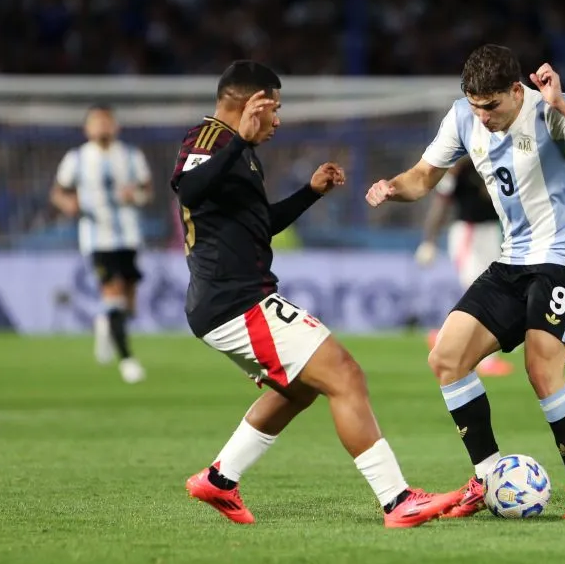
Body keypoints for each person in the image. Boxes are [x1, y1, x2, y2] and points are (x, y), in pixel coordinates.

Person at [171, 60, 460, 528]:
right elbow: (189, 189)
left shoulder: (240, 151)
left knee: (300, 389)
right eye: (274, 108)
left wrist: (309, 193)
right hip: (234, 300)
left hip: (235, 298)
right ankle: (397, 500)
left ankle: (220, 479)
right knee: (346, 375)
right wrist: (240, 140)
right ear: (251, 105)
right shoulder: (210, 140)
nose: (278, 121)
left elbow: (259, 226)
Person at [366, 44, 565, 520]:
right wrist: (391, 187)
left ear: (516, 90)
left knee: (541, 370)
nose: (482, 117)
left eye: (491, 106)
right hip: (512, 262)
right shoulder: (463, 117)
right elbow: (423, 178)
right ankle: (486, 477)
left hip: (564, 260)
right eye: (474, 105)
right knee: (446, 358)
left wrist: (563, 104)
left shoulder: (549, 111)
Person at [51, 104, 152, 383]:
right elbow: (58, 192)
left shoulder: (131, 156)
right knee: (114, 294)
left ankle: (104, 323)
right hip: (97, 239)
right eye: (96, 122)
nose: (102, 126)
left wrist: (137, 196)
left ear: (115, 126)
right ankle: (128, 361)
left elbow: (147, 190)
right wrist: (67, 203)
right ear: (87, 129)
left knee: (128, 305)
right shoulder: (77, 158)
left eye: (106, 121)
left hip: (129, 235)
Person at [415, 156, 513, 377]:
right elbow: (441, 204)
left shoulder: (494, 161)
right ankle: (486, 361)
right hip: (468, 233)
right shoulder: (457, 172)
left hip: (491, 233)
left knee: (494, 291)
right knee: (479, 290)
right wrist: (428, 240)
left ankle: (443, 336)